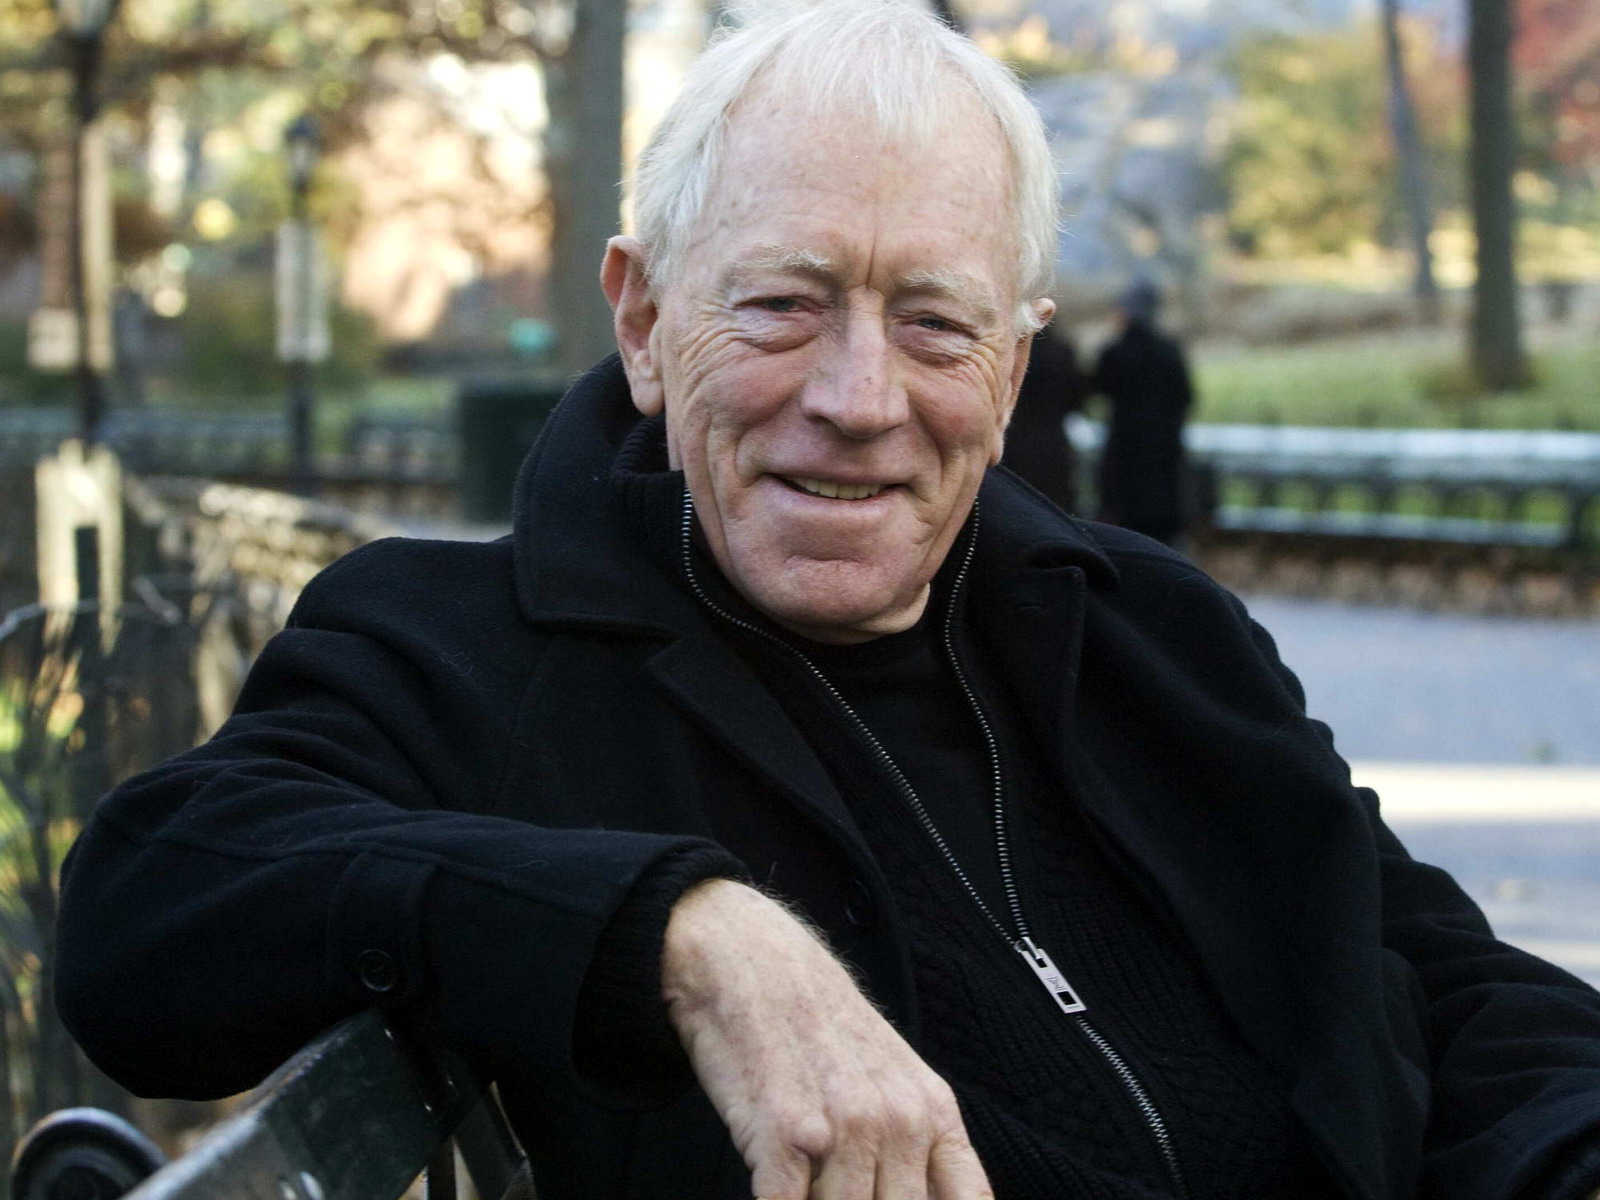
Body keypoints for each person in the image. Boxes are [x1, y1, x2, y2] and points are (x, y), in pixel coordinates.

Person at [54, 5, 1600, 1200]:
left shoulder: (1150, 630)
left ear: (1012, 367)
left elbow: (1431, 975)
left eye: (933, 325)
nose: (861, 400)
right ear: (644, 321)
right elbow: (146, 913)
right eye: (785, 305)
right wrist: (686, 936)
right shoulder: (461, 650)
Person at [1090, 279, 1194, 546]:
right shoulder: (1169, 351)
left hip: (1123, 452)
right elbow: (1186, 397)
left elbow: (1093, 389)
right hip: (1162, 454)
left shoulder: (1114, 352)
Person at [999, 317, 1085, 513]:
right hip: (1054, 439)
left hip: (1017, 439)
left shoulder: (1013, 353)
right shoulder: (1062, 351)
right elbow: (1077, 397)